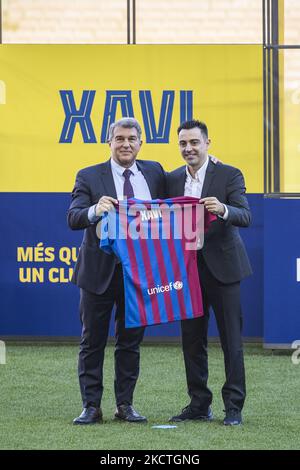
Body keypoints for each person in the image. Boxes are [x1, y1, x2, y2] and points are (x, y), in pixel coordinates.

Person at [68, 117, 165, 424]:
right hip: (98, 274)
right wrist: (96, 209)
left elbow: (182, 191)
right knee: (91, 341)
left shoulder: (155, 172)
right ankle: (91, 406)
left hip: (138, 275)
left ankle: (125, 405)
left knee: (130, 341)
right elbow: (74, 217)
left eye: (131, 139)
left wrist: (208, 162)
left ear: (140, 143)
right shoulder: (88, 175)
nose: (125, 144)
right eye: (119, 138)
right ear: (108, 142)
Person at [167, 119, 252, 426]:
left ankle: (234, 408)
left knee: (231, 340)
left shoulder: (229, 174)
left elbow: (245, 215)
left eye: (194, 142)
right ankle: (199, 404)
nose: (188, 148)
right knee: (191, 340)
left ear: (207, 143)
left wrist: (223, 210)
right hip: (187, 271)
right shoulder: (172, 178)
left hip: (224, 270)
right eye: (183, 144)